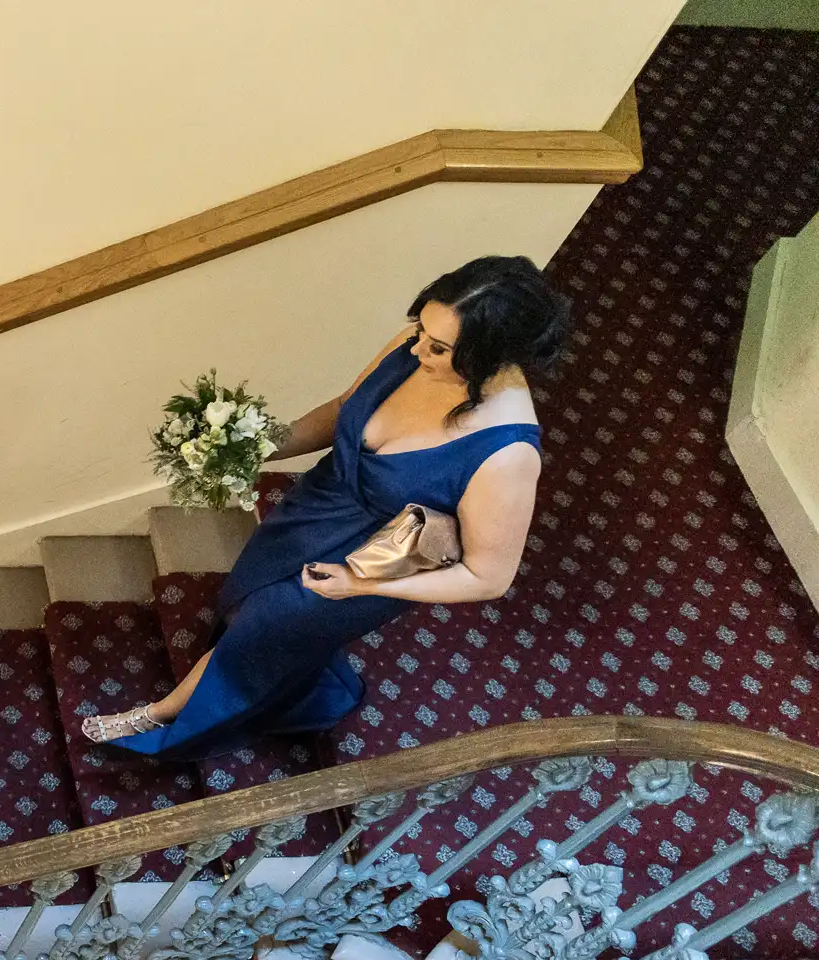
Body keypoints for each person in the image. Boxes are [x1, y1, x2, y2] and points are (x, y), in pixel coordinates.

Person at [84, 254, 569, 760]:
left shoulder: (508, 454)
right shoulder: (412, 351)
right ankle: (299, 687)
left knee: (261, 633)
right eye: (421, 328)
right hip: (315, 505)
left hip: (368, 565)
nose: (419, 349)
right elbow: (343, 408)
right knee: (250, 602)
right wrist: (255, 445)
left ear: (491, 356)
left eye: (440, 347)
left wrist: (358, 584)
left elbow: (487, 577)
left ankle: (163, 718)